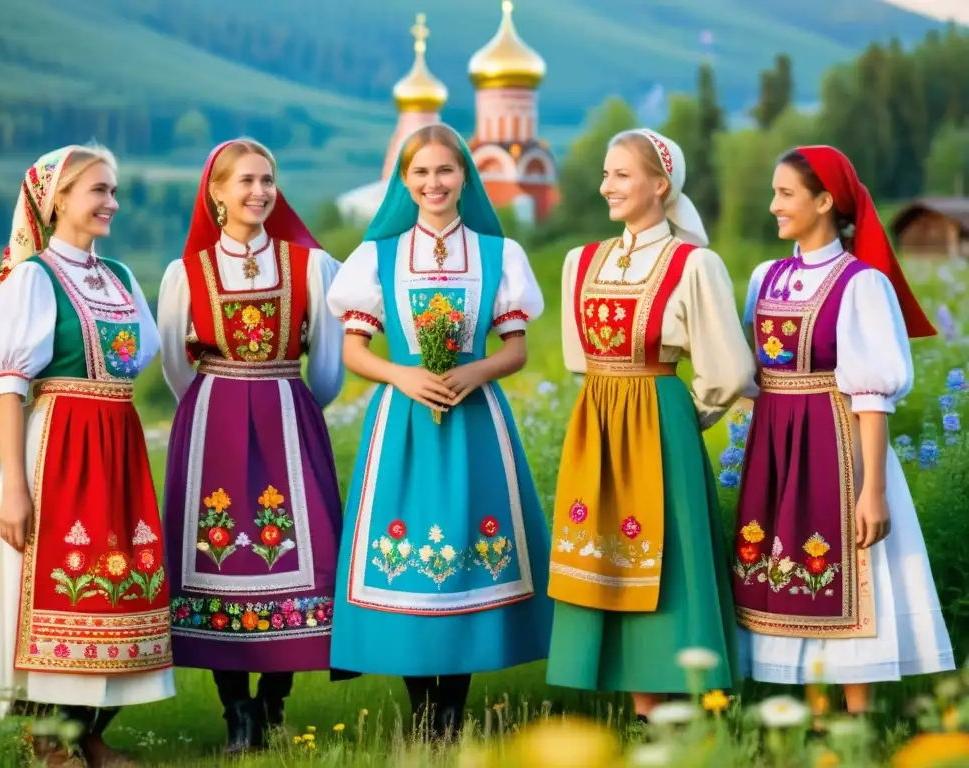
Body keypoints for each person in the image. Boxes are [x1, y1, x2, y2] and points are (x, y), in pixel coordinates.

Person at [325, 123, 553, 738]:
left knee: (462, 560)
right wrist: (402, 377)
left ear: (465, 177)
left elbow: (516, 350)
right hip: (402, 423)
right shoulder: (378, 256)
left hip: (475, 420)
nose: (434, 183)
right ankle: (420, 712)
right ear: (404, 181)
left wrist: (472, 372)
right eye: (421, 173)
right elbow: (354, 351)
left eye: (446, 171)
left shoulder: (498, 253)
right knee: (408, 561)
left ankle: (450, 716)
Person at [0, 145, 174, 768]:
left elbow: (139, 354)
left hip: (116, 444)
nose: (111, 202)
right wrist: (13, 485)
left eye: (113, 191)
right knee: (56, 590)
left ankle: (88, 734)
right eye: (98, 191)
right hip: (59, 445)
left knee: (112, 592)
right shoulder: (35, 277)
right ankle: (47, 740)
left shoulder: (119, 277)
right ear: (58, 199)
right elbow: (9, 382)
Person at [733, 145, 955, 714]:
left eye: (786, 193)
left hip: (835, 446)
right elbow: (749, 370)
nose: (773, 205)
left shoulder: (861, 284)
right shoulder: (767, 277)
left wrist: (872, 490)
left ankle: (856, 720)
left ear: (825, 200)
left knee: (853, 572)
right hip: (774, 446)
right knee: (785, 573)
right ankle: (813, 715)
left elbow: (872, 396)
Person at [546, 129, 753, 719]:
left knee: (672, 561)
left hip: (659, 420)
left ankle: (689, 711)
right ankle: (642, 710)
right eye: (606, 174)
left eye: (620, 175)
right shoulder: (579, 261)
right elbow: (574, 355)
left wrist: (686, 418)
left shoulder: (694, 265)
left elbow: (729, 369)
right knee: (608, 558)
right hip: (598, 418)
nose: (606, 185)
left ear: (660, 185)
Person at [157, 138, 349, 753]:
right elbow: (174, 367)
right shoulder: (184, 274)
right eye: (244, 181)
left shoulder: (310, 266)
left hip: (289, 415)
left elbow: (327, 364)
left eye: (267, 180)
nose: (258, 192)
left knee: (306, 552)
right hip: (213, 421)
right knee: (219, 566)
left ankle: (274, 700)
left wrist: (290, 404)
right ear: (215, 191)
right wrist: (222, 400)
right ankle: (236, 711)